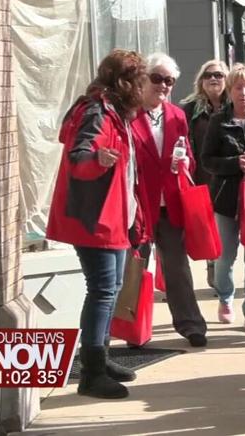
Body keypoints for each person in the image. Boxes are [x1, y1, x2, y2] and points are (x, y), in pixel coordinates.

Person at [47, 49, 147, 399]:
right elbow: (79, 159)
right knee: (103, 291)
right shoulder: (97, 111)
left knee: (110, 288)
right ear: (125, 81)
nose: (144, 85)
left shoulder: (112, 112)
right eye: (140, 78)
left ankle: (99, 361)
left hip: (110, 217)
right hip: (95, 219)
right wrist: (98, 160)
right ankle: (91, 372)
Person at [132, 53, 208, 348]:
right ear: (142, 79)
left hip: (170, 202)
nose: (163, 86)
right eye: (156, 78)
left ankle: (191, 325)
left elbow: (187, 151)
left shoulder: (176, 115)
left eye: (169, 81)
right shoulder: (129, 114)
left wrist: (184, 162)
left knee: (177, 267)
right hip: (138, 204)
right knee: (134, 269)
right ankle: (131, 329)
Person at [200, 64, 245, 331]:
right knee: (225, 257)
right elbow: (206, 160)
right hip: (226, 199)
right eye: (238, 87)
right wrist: (234, 163)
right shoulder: (218, 121)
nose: (243, 93)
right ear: (230, 91)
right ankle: (225, 297)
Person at [180, 59, 230, 290]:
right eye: (208, 75)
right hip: (202, 177)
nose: (213, 79)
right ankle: (213, 265)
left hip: (231, 176)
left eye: (219, 75)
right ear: (200, 81)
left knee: (230, 230)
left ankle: (222, 268)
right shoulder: (188, 109)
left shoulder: (237, 104)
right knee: (209, 227)